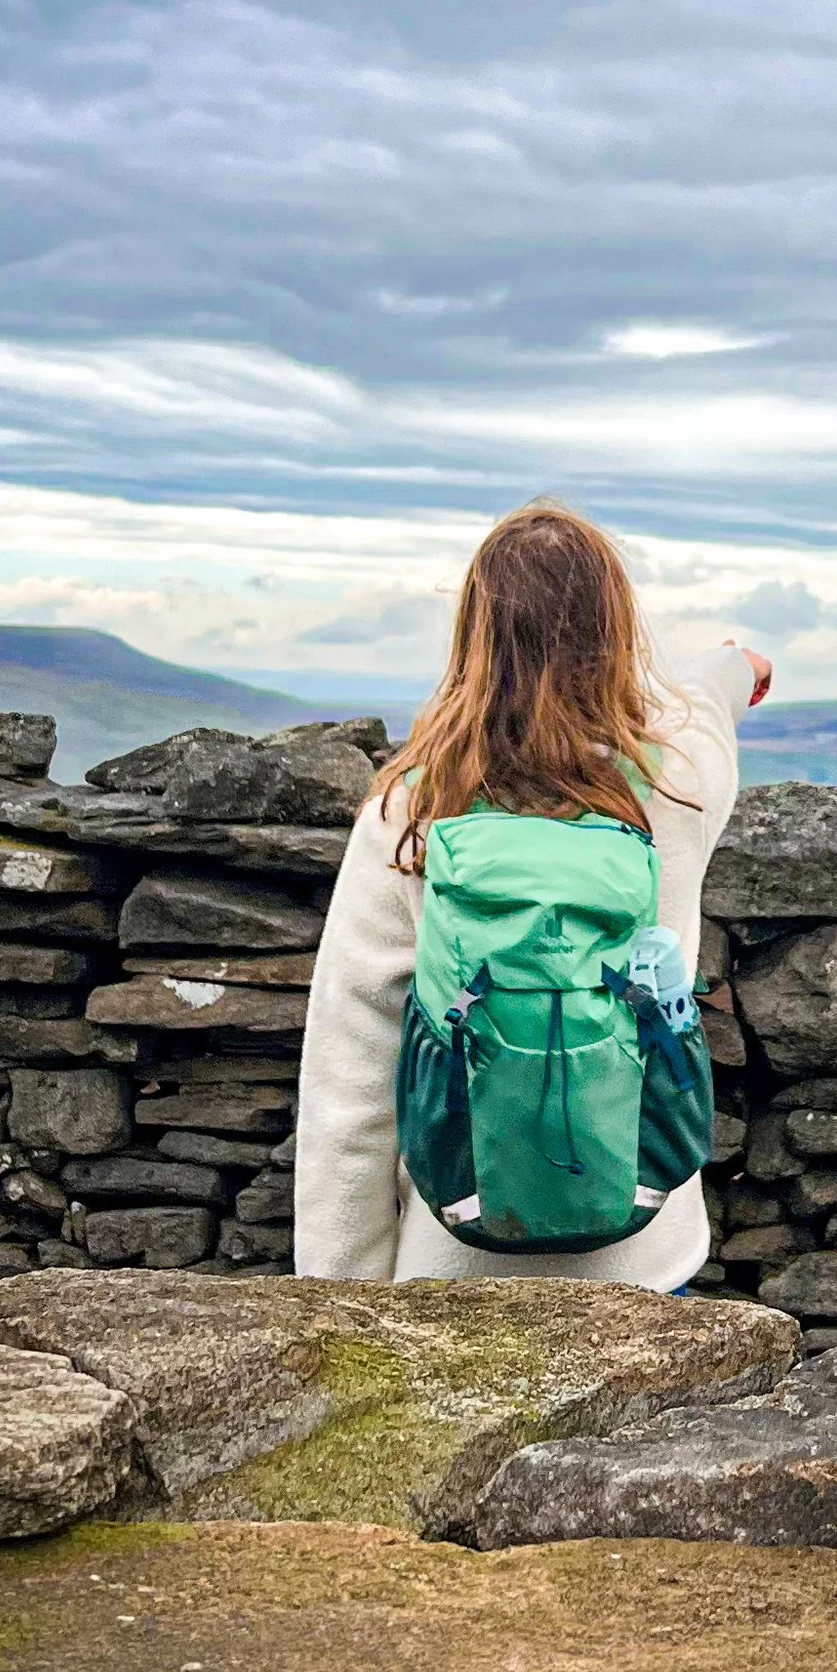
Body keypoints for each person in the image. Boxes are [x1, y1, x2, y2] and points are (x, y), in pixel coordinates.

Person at [293, 499, 769, 1288]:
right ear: (618, 630)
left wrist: (342, 1298)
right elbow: (709, 699)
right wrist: (740, 663)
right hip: (642, 1260)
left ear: (474, 638)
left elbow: (352, 1077)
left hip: (457, 1267)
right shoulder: (680, 776)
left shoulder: (410, 809)